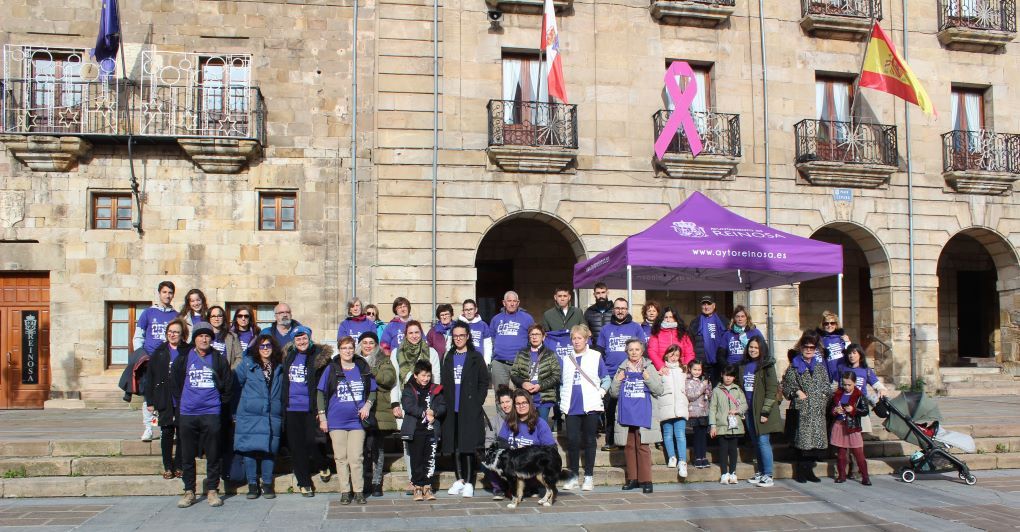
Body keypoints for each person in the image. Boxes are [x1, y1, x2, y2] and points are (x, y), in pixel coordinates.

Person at [170, 326, 234, 508]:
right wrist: (182, 403)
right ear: (195, 339)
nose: (204, 339)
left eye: (207, 336)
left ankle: (212, 490)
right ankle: (189, 491)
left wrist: (218, 403)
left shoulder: (218, 360)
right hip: (188, 413)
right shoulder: (184, 359)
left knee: (213, 453)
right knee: (187, 455)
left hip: (211, 412)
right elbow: (174, 383)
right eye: (201, 336)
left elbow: (228, 385)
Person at [317, 336, 377, 505]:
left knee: (356, 457)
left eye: (350, 347)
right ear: (339, 350)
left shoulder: (362, 366)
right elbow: (320, 393)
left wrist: (367, 406)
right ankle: (345, 491)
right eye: (344, 348)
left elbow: (373, 390)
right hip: (336, 420)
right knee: (340, 457)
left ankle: (358, 491)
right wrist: (323, 418)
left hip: (357, 420)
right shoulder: (331, 368)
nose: (348, 351)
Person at [391, 322, 442, 496]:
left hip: (428, 405)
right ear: (405, 334)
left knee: (428, 446)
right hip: (407, 402)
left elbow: (436, 378)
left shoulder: (431, 352)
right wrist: (394, 403)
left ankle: (424, 482)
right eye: (410, 332)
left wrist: (434, 407)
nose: (414, 335)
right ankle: (414, 480)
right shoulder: (396, 352)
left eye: (417, 332)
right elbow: (394, 380)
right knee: (409, 443)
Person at [281, 325, 332, 497]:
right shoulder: (288, 356)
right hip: (292, 407)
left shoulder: (319, 356)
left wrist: (321, 408)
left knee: (313, 441)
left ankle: (323, 463)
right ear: (293, 342)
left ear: (309, 339)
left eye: (304, 338)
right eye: (298, 339)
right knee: (296, 447)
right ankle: (304, 482)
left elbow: (326, 384)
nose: (301, 342)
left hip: (311, 407)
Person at [442, 321, 490, 498]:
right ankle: (459, 480)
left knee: (468, 446)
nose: (458, 339)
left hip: (469, 408)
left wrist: (477, 401)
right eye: (455, 336)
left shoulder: (476, 357)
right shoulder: (448, 356)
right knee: (455, 446)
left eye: (462, 335)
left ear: (468, 336)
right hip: (451, 408)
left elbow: (484, 382)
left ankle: (469, 482)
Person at [559, 324, 610, 492]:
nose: (576, 341)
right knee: (572, 441)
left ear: (586, 339)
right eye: (573, 338)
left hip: (590, 405)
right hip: (571, 406)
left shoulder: (595, 356)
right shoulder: (566, 359)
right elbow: (562, 382)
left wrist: (601, 393)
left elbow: (606, 378)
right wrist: (562, 399)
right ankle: (573, 477)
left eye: (579, 338)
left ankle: (589, 476)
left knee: (589, 441)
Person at [233, 334, 284, 499]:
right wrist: (235, 411)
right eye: (262, 346)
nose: (265, 349)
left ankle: (267, 484)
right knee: (249, 450)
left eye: (268, 346)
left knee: (270, 449)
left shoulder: (279, 367)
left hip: (272, 414)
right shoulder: (248, 364)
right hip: (250, 413)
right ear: (257, 349)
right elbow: (235, 386)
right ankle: (253, 484)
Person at [611, 339, 663, 494]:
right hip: (626, 412)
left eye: (637, 349)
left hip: (644, 412)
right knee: (629, 446)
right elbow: (613, 393)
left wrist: (648, 378)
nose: (634, 352)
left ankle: (646, 480)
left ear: (642, 351)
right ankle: (632, 479)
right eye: (631, 350)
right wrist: (617, 381)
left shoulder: (650, 367)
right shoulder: (621, 368)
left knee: (643, 446)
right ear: (627, 352)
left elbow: (659, 390)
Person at [781, 330, 832, 483]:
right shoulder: (794, 367)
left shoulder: (820, 367)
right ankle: (801, 472)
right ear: (801, 348)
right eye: (806, 347)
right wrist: (797, 391)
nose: (809, 350)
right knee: (802, 444)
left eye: (812, 348)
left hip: (816, 410)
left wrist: (824, 396)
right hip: (802, 410)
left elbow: (827, 386)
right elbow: (786, 387)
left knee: (814, 444)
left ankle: (810, 471)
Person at [596, 297, 646, 451]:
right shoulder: (605, 329)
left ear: (627, 309)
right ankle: (610, 441)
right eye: (617, 308)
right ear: (613, 310)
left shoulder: (636, 328)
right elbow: (600, 353)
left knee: (629, 409)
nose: (620, 311)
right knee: (610, 409)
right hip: (611, 376)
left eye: (623, 308)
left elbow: (642, 350)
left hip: (631, 374)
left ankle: (628, 442)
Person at [131, 280, 178, 441]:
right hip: (150, 361)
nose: (167, 295)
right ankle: (148, 428)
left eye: (170, 292)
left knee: (169, 395)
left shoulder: (175, 315)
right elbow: (138, 337)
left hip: (169, 362)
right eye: (165, 292)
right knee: (148, 395)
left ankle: (169, 428)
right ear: (159, 293)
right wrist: (141, 356)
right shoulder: (148, 313)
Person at [144, 317, 190, 479]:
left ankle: (179, 465)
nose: (172, 335)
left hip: (183, 399)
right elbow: (150, 378)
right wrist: (150, 401)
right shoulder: (159, 351)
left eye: (176, 332)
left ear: (182, 334)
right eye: (170, 332)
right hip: (164, 398)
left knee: (182, 433)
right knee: (167, 432)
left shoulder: (188, 350)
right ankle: (167, 466)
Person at [358, 331, 397, 497]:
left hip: (378, 410)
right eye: (364, 342)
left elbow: (389, 379)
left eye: (371, 343)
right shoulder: (354, 361)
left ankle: (376, 482)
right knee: (361, 447)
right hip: (358, 410)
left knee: (377, 448)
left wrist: (371, 371)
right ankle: (364, 480)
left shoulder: (383, 360)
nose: (367, 346)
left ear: (376, 345)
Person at [400, 360, 445, 502]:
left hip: (431, 431)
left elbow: (443, 406)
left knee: (429, 459)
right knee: (416, 459)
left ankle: (427, 485)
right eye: (423, 375)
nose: (426, 379)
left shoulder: (436, 389)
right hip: (415, 430)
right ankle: (417, 486)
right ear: (415, 375)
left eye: (428, 376)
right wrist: (425, 413)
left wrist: (435, 412)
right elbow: (408, 406)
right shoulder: (409, 388)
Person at [741, 336, 781, 488]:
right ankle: (761, 472)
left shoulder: (766, 366)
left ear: (761, 349)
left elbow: (771, 390)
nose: (753, 350)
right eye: (751, 347)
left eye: (756, 348)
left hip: (762, 410)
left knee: (763, 441)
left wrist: (765, 412)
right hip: (749, 410)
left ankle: (768, 474)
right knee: (756, 442)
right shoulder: (744, 365)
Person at [509, 324, 561, 424]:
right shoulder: (521, 353)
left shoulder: (550, 354)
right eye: (532, 334)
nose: (534, 337)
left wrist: (540, 386)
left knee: (542, 425)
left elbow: (556, 376)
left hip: (544, 398)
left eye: (537, 334)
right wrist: (523, 383)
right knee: (525, 426)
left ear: (543, 337)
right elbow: (514, 373)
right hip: (525, 397)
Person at [831, 371, 872, 485]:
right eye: (844, 384)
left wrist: (853, 410)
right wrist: (835, 410)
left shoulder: (859, 395)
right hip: (840, 424)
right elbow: (831, 409)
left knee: (858, 452)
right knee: (841, 453)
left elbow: (865, 411)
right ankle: (841, 475)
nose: (846, 387)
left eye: (849, 384)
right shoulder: (838, 394)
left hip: (853, 426)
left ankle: (865, 476)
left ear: (854, 383)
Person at [709, 364, 747, 485]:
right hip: (721, 425)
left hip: (734, 425)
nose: (728, 378)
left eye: (731, 376)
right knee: (723, 449)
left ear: (734, 377)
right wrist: (713, 425)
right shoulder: (716, 390)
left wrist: (737, 410)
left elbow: (744, 404)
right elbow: (712, 409)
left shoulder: (737, 389)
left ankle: (733, 472)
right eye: (726, 375)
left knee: (733, 450)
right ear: (722, 375)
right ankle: (724, 473)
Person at [489, 291, 535, 390]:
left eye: (515, 301)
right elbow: (491, 339)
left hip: (520, 362)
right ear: (504, 303)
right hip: (499, 363)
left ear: (518, 303)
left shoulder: (527, 318)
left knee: (521, 394)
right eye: (509, 301)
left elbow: (533, 337)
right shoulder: (496, 319)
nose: (512, 303)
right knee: (501, 395)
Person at [657, 345, 689, 477]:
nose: (674, 357)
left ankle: (682, 461)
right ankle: (672, 456)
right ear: (666, 355)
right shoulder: (661, 370)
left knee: (680, 434)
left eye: (676, 355)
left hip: (680, 406)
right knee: (668, 434)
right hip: (666, 406)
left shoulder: (683, 370)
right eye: (671, 354)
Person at [482, 386, 514, 500]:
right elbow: (489, 440)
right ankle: (498, 488)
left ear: (513, 401)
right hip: (501, 455)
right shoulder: (494, 420)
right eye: (502, 402)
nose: (505, 405)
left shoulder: (520, 417)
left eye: (508, 401)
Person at [717, 306, 766, 378]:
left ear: (747, 318)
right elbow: (720, 355)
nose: (740, 319)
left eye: (742, 316)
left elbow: (764, 351)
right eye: (737, 316)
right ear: (734, 318)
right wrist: (727, 367)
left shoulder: (755, 332)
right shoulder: (728, 334)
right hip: (732, 370)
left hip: (750, 368)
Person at [688, 295, 726, 383]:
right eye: (704, 304)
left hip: (718, 362)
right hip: (701, 362)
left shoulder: (723, 320)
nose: (706, 306)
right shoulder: (695, 322)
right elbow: (690, 340)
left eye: (708, 304)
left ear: (714, 305)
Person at [646, 306, 694, 371]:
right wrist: (661, 366)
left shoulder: (683, 333)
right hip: (663, 370)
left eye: (671, 317)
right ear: (662, 318)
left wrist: (686, 365)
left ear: (675, 318)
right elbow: (652, 351)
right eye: (666, 317)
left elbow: (689, 353)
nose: (668, 320)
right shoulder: (656, 333)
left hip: (680, 368)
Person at [685, 360, 712, 469]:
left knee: (703, 435)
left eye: (699, 369)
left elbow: (710, 395)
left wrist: (708, 388)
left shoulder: (704, 380)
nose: (697, 372)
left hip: (704, 411)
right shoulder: (688, 381)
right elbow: (691, 395)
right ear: (690, 370)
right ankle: (697, 457)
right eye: (694, 369)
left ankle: (703, 456)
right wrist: (703, 386)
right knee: (697, 436)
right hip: (695, 412)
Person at [818, 311, 851, 380]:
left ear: (836, 325)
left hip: (843, 375)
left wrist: (847, 342)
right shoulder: (819, 339)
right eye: (826, 323)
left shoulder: (842, 338)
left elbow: (850, 354)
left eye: (832, 323)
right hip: (826, 376)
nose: (829, 325)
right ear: (823, 325)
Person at [458, 299, 493, 364]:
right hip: (461, 361)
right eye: (466, 310)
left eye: (471, 309)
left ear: (476, 310)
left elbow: (488, 345)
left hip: (478, 362)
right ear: (463, 311)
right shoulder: (457, 324)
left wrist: (486, 362)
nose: (469, 312)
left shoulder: (483, 325)